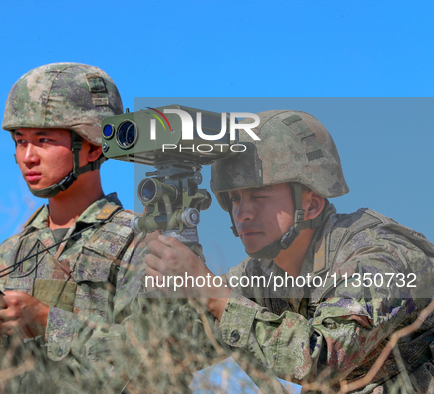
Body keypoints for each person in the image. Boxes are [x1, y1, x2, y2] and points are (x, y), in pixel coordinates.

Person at [144, 110, 434, 393]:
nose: (242, 213)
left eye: (259, 196)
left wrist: (211, 293)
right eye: (233, 198)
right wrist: (167, 285)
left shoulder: (376, 254)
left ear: (311, 204)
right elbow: (183, 346)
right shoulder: (261, 273)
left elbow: (321, 359)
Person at [0, 62, 145, 392]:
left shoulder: (139, 241)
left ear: (93, 145)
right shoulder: (12, 253)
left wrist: (46, 320)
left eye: (44, 140)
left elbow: (157, 358)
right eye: (20, 141)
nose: (28, 157)